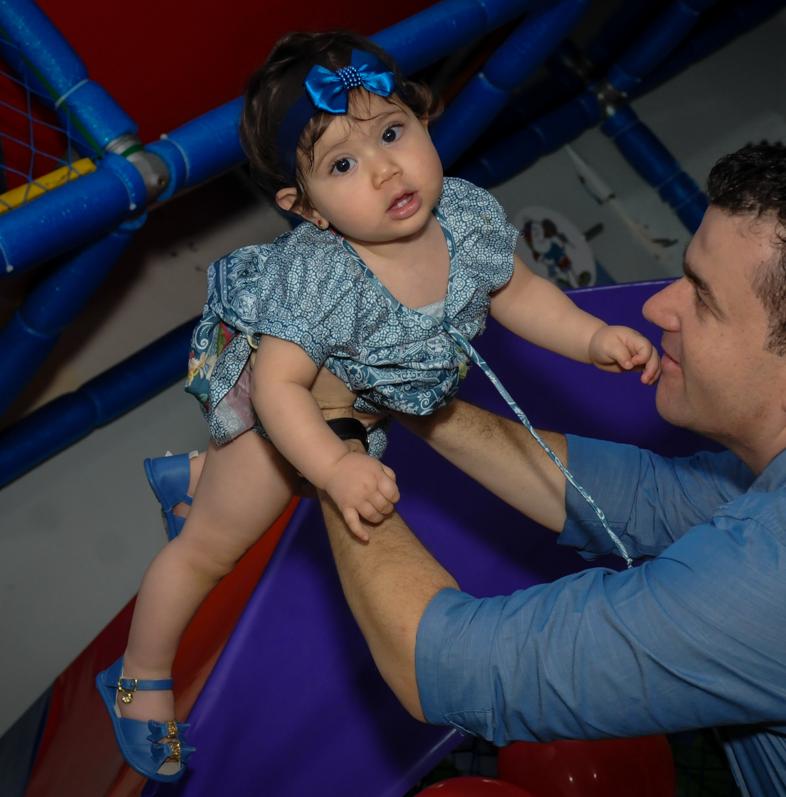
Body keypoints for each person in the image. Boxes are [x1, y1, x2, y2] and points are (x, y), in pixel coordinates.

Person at [312, 142, 786, 795]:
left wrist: (330, 435)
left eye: (703, 301)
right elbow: (646, 498)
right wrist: (414, 402)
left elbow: (435, 663)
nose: (659, 308)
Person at [93, 29, 659, 783]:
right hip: (285, 427)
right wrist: (331, 466)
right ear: (308, 209)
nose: (385, 167)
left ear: (426, 120)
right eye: (343, 164)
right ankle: (137, 677)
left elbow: (520, 292)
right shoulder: (325, 276)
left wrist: (591, 338)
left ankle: (194, 477)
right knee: (208, 552)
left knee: (281, 477)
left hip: (377, 398)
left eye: (393, 132)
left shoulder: (464, 215)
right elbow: (279, 389)